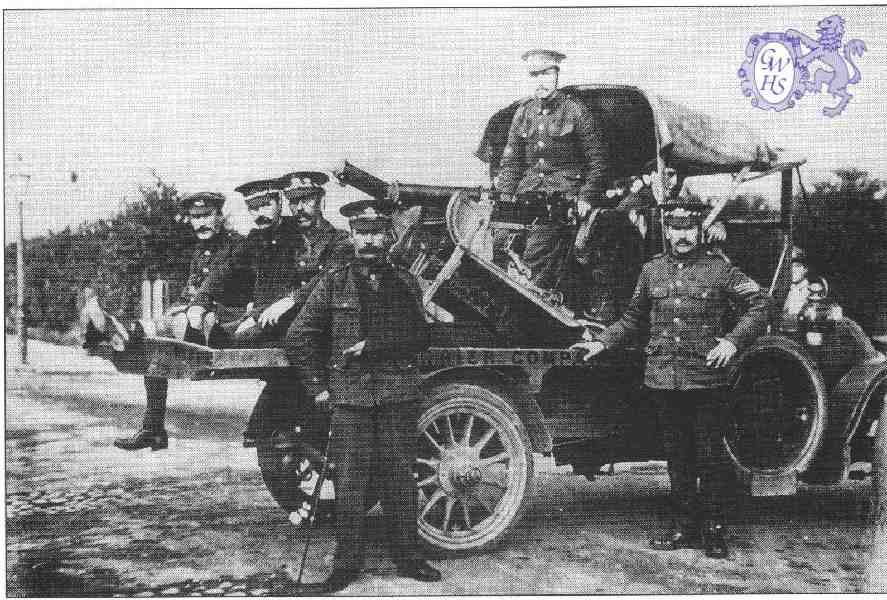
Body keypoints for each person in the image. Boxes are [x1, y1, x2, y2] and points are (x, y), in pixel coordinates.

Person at [571, 197, 774, 559]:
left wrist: (732, 340)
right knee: (677, 457)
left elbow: (762, 304)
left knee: (709, 455)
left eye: (688, 228)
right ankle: (684, 526)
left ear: (699, 230)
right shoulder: (652, 271)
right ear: (667, 230)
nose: (682, 235)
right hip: (664, 379)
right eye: (675, 228)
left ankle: (713, 530)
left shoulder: (720, 270)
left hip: (706, 380)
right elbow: (633, 319)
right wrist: (601, 342)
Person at [286, 199, 441, 593]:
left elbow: (421, 338)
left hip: (397, 393)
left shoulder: (405, 281)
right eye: (361, 232)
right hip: (351, 398)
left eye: (376, 232)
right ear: (352, 236)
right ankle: (346, 564)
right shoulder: (334, 282)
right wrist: (318, 388)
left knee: (400, 478)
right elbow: (299, 337)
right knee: (351, 482)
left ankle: (408, 555)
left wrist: (375, 346)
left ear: (388, 236)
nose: (369, 240)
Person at [112, 192, 254, 451]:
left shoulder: (237, 245)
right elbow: (191, 291)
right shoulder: (201, 250)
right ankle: (153, 428)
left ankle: (125, 332)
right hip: (197, 317)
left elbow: (216, 281)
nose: (200, 223)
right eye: (194, 217)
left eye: (206, 216)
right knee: (154, 344)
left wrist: (192, 307)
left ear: (220, 216)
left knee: (162, 333)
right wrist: (182, 308)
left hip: (226, 321)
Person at [232, 172, 352, 447]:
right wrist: (255, 312)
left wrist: (292, 299)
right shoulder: (283, 237)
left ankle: (311, 403)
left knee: (289, 342)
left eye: (307, 200)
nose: (299, 208)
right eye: (293, 201)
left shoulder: (340, 241)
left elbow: (329, 277)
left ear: (321, 200)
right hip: (290, 319)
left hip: (326, 318)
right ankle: (286, 415)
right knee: (239, 339)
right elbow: (263, 275)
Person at [495, 49, 608, 291]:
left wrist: (586, 198)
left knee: (535, 254)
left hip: (563, 200)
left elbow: (598, 163)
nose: (540, 81)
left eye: (546, 74)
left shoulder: (576, 111)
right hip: (527, 197)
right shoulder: (523, 114)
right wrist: (505, 202)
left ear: (556, 75)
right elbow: (511, 162)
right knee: (498, 242)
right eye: (534, 75)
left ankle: (530, 303)